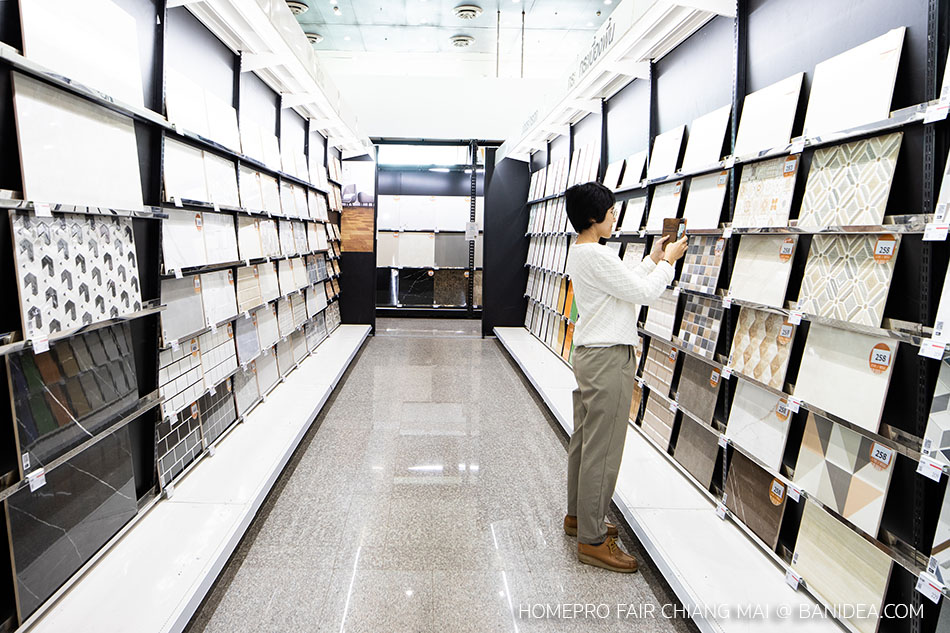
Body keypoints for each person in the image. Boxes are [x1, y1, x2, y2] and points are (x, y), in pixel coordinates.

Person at [562, 181, 688, 573]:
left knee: (586, 442)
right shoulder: (597, 255)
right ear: (593, 218)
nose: (614, 218)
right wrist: (668, 263)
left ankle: (579, 518)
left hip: (590, 355)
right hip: (608, 359)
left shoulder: (582, 252)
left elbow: (623, 286)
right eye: (611, 212)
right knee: (603, 450)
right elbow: (644, 293)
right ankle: (593, 540)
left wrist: (651, 260)